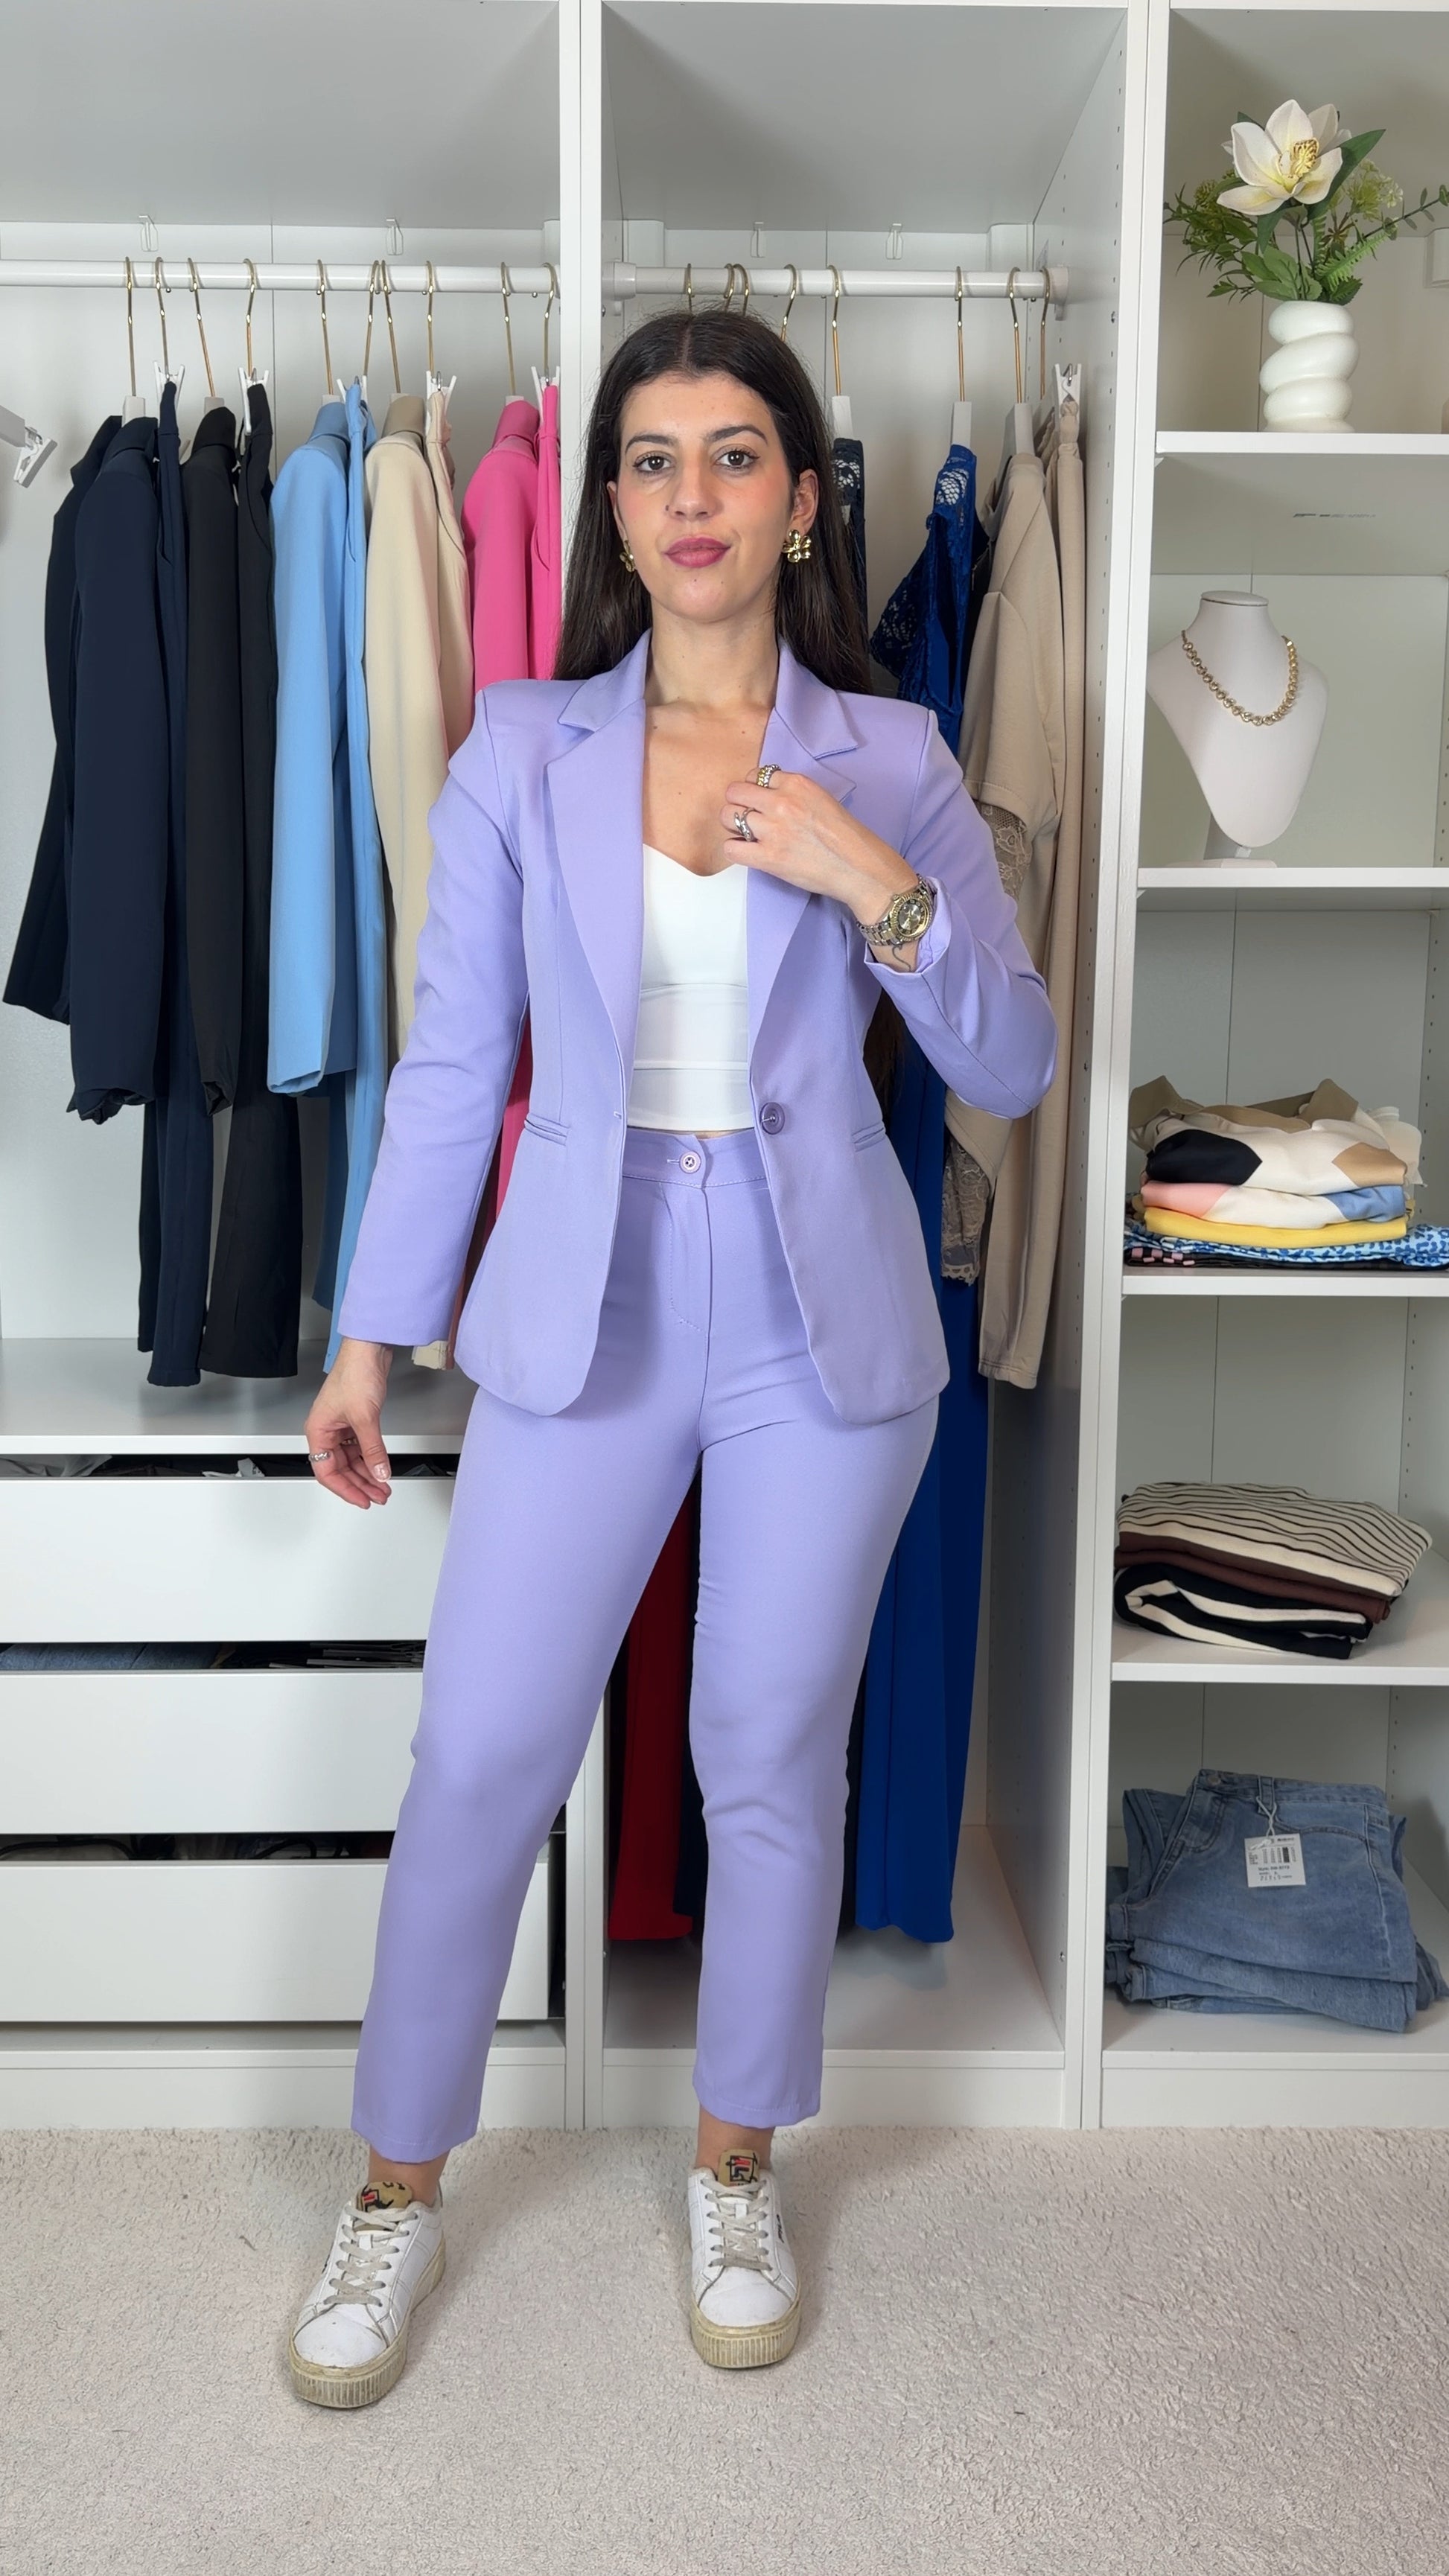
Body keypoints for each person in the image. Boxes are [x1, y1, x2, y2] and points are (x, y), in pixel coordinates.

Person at [287, 307, 1056, 2408]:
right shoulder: (522, 748)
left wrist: (872, 881)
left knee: (767, 1753)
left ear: (802, 497)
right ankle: (393, 2188)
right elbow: (455, 1070)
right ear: (612, 507)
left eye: (734, 455)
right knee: (480, 1754)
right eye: (650, 458)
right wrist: (369, 1337)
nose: (690, 494)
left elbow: (1011, 1056)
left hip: (822, 1315)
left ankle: (735, 2168)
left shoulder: (892, 756)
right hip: (586, 1294)